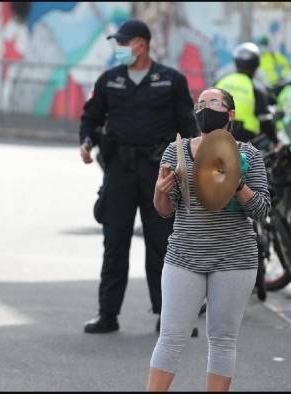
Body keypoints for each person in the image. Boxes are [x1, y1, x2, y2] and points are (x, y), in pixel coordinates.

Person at [147, 87, 270, 391]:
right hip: (184, 256)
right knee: (172, 336)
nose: (205, 108)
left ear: (230, 114)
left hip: (234, 260)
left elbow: (261, 210)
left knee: (223, 340)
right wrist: (160, 190)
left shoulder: (249, 155)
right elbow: (164, 210)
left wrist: (237, 183)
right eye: (200, 104)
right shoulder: (176, 151)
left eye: (213, 103)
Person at [79, 19, 198, 334]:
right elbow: (91, 116)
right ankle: (107, 315)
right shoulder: (110, 79)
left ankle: (168, 315)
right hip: (119, 169)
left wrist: (196, 163)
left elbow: (188, 125)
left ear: (141, 45)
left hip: (159, 171)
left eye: (123, 43)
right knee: (114, 242)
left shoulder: (170, 80)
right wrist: (86, 142)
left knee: (161, 243)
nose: (118, 49)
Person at [215, 42, 278, 147]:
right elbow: (265, 120)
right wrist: (276, 141)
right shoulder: (256, 88)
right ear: (256, 64)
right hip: (245, 140)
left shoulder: (221, 81)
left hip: (217, 135)